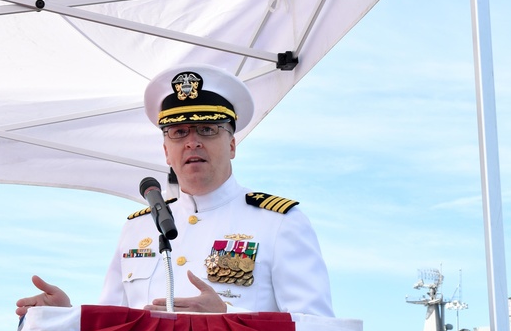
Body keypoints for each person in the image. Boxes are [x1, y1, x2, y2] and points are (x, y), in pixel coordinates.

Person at [17, 63, 333, 316]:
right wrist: (62, 318)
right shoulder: (137, 227)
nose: (192, 142)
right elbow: (113, 325)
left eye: (207, 130)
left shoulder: (279, 222)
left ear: (233, 144)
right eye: (179, 132)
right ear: (166, 151)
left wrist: (228, 315)